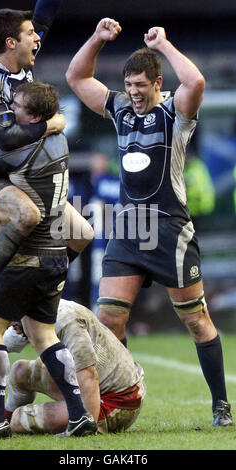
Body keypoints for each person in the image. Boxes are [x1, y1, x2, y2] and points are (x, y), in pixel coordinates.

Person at [65, 18, 233, 426]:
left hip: (170, 230)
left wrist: (165, 45)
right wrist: (97, 39)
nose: (135, 93)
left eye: (142, 84)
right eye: (130, 84)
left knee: (196, 319)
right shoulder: (120, 107)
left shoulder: (176, 111)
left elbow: (196, 83)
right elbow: (76, 76)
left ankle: (221, 406)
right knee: (108, 319)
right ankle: (124, 397)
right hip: (127, 229)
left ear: (158, 83)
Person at [0, 81, 97, 440]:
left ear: (37, 117)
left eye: (18, 107)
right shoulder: (57, 140)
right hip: (56, 256)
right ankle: (80, 415)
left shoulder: (24, 148)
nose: (10, 111)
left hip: (26, 256)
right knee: (43, 334)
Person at [0, 2, 93, 319]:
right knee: (27, 215)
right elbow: (8, 139)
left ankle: (36, 288)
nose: (37, 38)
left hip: (19, 171)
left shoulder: (21, 61)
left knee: (81, 233)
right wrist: (51, 124)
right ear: (11, 43)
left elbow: (43, 18)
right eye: (29, 34)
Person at [0, 299, 145, 434]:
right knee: (20, 371)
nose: (7, 325)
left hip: (117, 400)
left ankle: (14, 421)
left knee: (21, 419)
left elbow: (89, 376)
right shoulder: (29, 316)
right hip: (91, 383)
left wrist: (83, 425)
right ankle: (4, 422)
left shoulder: (67, 320)